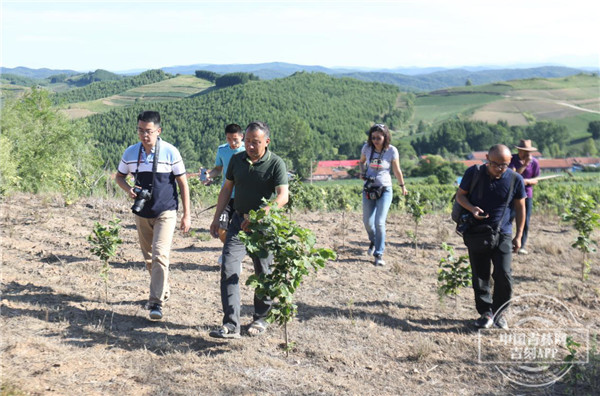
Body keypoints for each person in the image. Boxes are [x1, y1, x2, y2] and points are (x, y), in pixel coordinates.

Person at [208, 121, 289, 339]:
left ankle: (260, 318)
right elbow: (226, 189)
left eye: (256, 142)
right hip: (237, 223)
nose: (251, 146)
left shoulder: (275, 164)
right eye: (248, 141)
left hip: (263, 227)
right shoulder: (236, 160)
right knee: (229, 268)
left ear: (267, 142)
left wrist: (261, 214)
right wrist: (216, 218)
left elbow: (283, 196)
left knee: (264, 272)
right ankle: (231, 325)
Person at [115, 111, 191, 321]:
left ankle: (155, 303)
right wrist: (128, 189)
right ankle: (163, 288)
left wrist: (187, 215)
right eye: (140, 130)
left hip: (166, 211)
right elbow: (119, 176)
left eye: (148, 131)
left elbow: (183, 184)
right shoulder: (131, 152)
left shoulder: (170, 152)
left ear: (158, 131)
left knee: (159, 254)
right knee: (149, 258)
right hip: (142, 212)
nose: (143, 135)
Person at [455, 144, 526, 330]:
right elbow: (460, 196)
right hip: (477, 231)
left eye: (505, 165)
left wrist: (519, 236)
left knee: (503, 274)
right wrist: (472, 209)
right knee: (480, 275)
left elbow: (520, 208)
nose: (500, 169)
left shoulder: (515, 179)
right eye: (496, 164)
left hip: (503, 233)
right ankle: (486, 313)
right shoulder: (474, 173)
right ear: (487, 158)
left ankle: (500, 312)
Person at [358, 123, 408, 266]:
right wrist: (362, 172)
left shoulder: (392, 151)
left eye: (378, 138)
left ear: (385, 137)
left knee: (379, 222)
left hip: (385, 189)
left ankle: (378, 254)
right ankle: (373, 240)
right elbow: (361, 162)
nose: (375, 141)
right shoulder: (366, 148)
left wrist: (402, 186)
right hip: (369, 188)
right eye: (373, 137)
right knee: (367, 222)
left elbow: (397, 170)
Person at [202, 124, 245, 261]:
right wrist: (209, 175)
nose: (232, 143)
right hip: (226, 196)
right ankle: (230, 251)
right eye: (228, 139)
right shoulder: (222, 150)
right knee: (221, 229)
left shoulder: (248, 150)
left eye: (235, 139)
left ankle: (232, 254)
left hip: (244, 197)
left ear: (242, 137)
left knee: (243, 229)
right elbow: (218, 169)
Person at [508, 139, 540, 255]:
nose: (527, 154)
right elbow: (513, 176)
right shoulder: (511, 159)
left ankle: (521, 244)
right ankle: (506, 242)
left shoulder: (535, 162)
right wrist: (525, 165)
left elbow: (536, 179)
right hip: (512, 195)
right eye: (524, 151)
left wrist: (528, 181)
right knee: (509, 218)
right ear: (519, 151)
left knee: (525, 220)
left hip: (527, 194)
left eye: (528, 152)